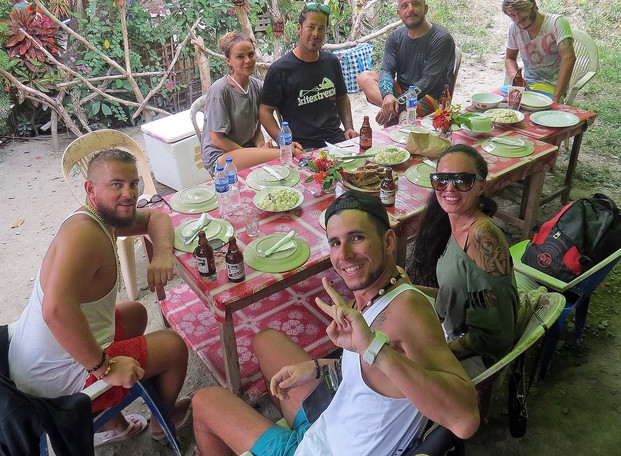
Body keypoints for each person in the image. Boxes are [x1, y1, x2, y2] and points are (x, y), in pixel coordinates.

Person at [192, 190, 480, 455]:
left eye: (357, 238)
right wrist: (317, 367)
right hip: (329, 425)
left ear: (389, 241)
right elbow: (374, 374)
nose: (344, 254)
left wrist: (372, 347)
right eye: (335, 242)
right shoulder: (390, 285)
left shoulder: (407, 312)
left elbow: (465, 419)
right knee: (265, 340)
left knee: (204, 402)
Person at [8, 149, 192, 447]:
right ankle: (162, 421)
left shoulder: (100, 217)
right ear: (90, 189)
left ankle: (114, 422)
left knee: (136, 313)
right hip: (54, 384)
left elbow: (156, 218)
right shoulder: (85, 235)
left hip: (32, 359)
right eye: (116, 184)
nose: (129, 193)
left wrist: (161, 254)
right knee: (173, 347)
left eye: (133, 183)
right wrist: (105, 367)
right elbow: (54, 309)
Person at [406, 145, 519, 378]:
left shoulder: (482, 236)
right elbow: (456, 294)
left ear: (481, 187)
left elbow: (494, 335)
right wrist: (405, 289)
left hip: (479, 358)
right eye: (441, 180)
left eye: (462, 180)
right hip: (453, 330)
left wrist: (435, 355)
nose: (449, 188)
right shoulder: (456, 222)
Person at [260, 3, 359, 150]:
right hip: (301, 146)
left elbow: (342, 98)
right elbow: (265, 111)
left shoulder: (332, 62)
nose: (316, 34)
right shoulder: (279, 70)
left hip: (336, 140)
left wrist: (349, 128)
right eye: (311, 27)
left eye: (321, 29)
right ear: (299, 28)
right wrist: (283, 140)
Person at [201, 31, 303, 172]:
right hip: (221, 157)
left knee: (287, 155)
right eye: (240, 57)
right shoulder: (220, 91)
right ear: (228, 61)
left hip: (247, 150)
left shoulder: (257, 86)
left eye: (250, 54)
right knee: (288, 153)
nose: (248, 60)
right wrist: (251, 153)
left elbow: (256, 130)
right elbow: (217, 140)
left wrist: (260, 145)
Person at [357, 0, 456, 127]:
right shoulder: (394, 37)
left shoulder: (441, 38)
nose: (410, 9)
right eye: (405, 6)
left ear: (425, 9)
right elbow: (386, 70)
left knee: (403, 118)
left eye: (415, 4)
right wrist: (387, 95)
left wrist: (401, 104)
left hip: (431, 97)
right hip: (402, 93)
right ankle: (395, 110)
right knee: (364, 77)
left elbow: (427, 82)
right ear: (399, 13)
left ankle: (396, 112)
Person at [501, 0, 576, 103]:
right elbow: (510, 59)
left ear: (534, 6)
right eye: (512, 15)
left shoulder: (557, 22)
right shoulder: (513, 29)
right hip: (526, 86)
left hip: (551, 88)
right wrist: (515, 76)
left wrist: (556, 99)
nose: (517, 19)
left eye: (521, 11)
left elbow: (569, 58)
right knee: (489, 103)